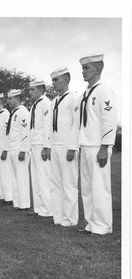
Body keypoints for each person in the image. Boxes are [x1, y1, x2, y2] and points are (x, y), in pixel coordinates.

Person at [78, 54, 117, 235]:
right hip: (85, 145)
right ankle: (91, 223)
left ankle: (102, 226)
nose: (83, 72)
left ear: (98, 69)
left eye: (87, 68)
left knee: (100, 188)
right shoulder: (86, 92)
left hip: (97, 147)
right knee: (87, 189)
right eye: (83, 68)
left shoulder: (104, 90)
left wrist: (105, 146)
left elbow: (109, 120)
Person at [50, 68, 80, 226]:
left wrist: (73, 146)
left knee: (69, 184)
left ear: (66, 79)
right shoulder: (53, 101)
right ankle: (58, 217)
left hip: (67, 145)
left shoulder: (74, 97)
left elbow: (77, 123)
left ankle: (70, 219)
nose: (53, 83)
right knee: (55, 183)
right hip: (55, 145)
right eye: (53, 80)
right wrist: (48, 146)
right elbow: (50, 126)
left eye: (56, 80)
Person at [28, 79, 52, 217]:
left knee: (44, 178)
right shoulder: (34, 105)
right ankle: (38, 208)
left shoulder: (46, 103)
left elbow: (47, 126)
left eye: (33, 89)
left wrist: (46, 146)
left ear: (41, 90)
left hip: (42, 145)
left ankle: (47, 209)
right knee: (36, 179)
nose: (30, 92)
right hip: (34, 145)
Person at [6, 89, 31, 210]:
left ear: (17, 98)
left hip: (19, 148)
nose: (8, 101)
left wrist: (23, 150)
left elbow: (26, 132)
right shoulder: (14, 112)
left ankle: (24, 203)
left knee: (21, 177)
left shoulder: (23, 112)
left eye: (10, 98)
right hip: (12, 147)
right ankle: (17, 202)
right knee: (14, 177)